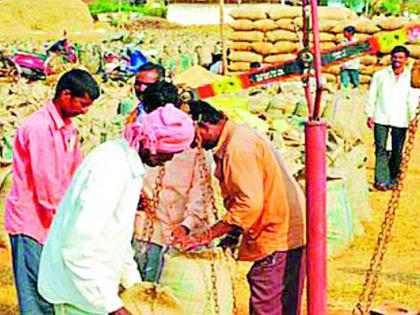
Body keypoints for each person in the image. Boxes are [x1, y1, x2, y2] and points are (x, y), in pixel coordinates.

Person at [38, 104, 195, 315]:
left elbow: (117, 238)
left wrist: (135, 286)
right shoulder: (110, 167)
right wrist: (113, 307)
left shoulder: (127, 163)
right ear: (155, 145)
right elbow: (76, 248)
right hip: (79, 293)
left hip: (97, 291)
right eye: (171, 152)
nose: (170, 159)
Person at [174, 100, 306, 314]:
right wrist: (233, 233)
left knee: (268, 305)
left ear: (204, 127)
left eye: (191, 138)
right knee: (282, 304)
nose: (190, 145)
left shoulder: (238, 148)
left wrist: (205, 236)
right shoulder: (237, 137)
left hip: (277, 234)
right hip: (283, 229)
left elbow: (249, 204)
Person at [4, 69, 100, 315]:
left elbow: (75, 173)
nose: (85, 110)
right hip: (33, 224)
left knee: (52, 293)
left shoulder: (68, 129)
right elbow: (48, 187)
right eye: (83, 104)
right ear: (65, 95)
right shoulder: (39, 128)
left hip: (54, 223)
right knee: (36, 296)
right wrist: (73, 222)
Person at [131, 81, 214, 282]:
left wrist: (186, 226)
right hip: (150, 233)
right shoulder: (140, 140)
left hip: (187, 233)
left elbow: (201, 196)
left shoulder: (193, 145)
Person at [365, 45, 419, 191]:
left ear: (406, 60)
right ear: (391, 58)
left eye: (401, 57)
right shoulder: (380, 75)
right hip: (381, 116)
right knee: (381, 148)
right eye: (395, 57)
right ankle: (380, 180)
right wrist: (370, 114)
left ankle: (393, 179)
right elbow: (372, 95)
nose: (397, 60)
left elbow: (412, 99)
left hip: (400, 119)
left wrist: (413, 118)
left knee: (397, 150)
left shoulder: (410, 77)